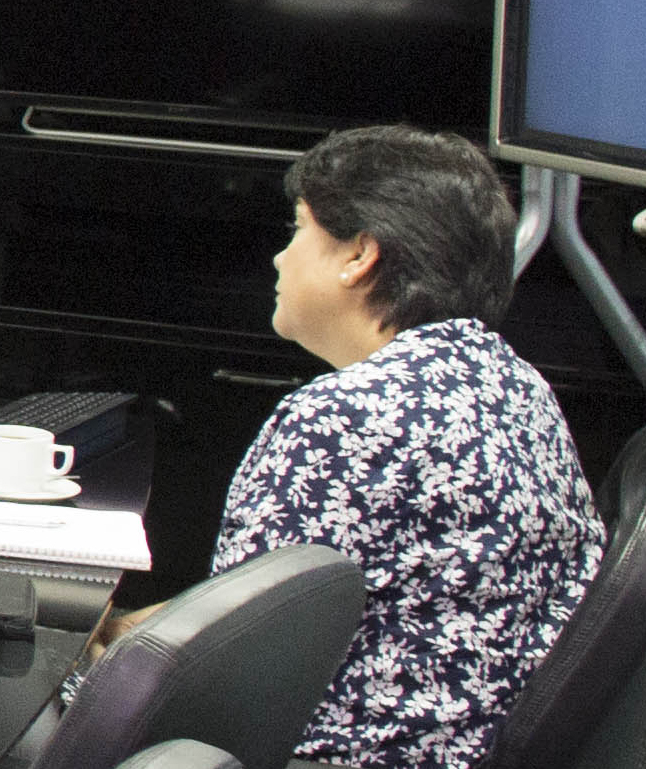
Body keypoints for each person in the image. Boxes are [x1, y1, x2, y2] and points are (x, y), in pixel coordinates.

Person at [93, 125, 604, 769]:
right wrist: (122, 629)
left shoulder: (342, 417)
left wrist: (90, 649)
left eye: (298, 230)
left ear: (359, 255)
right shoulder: (517, 385)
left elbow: (232, 658)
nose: (281, 258)